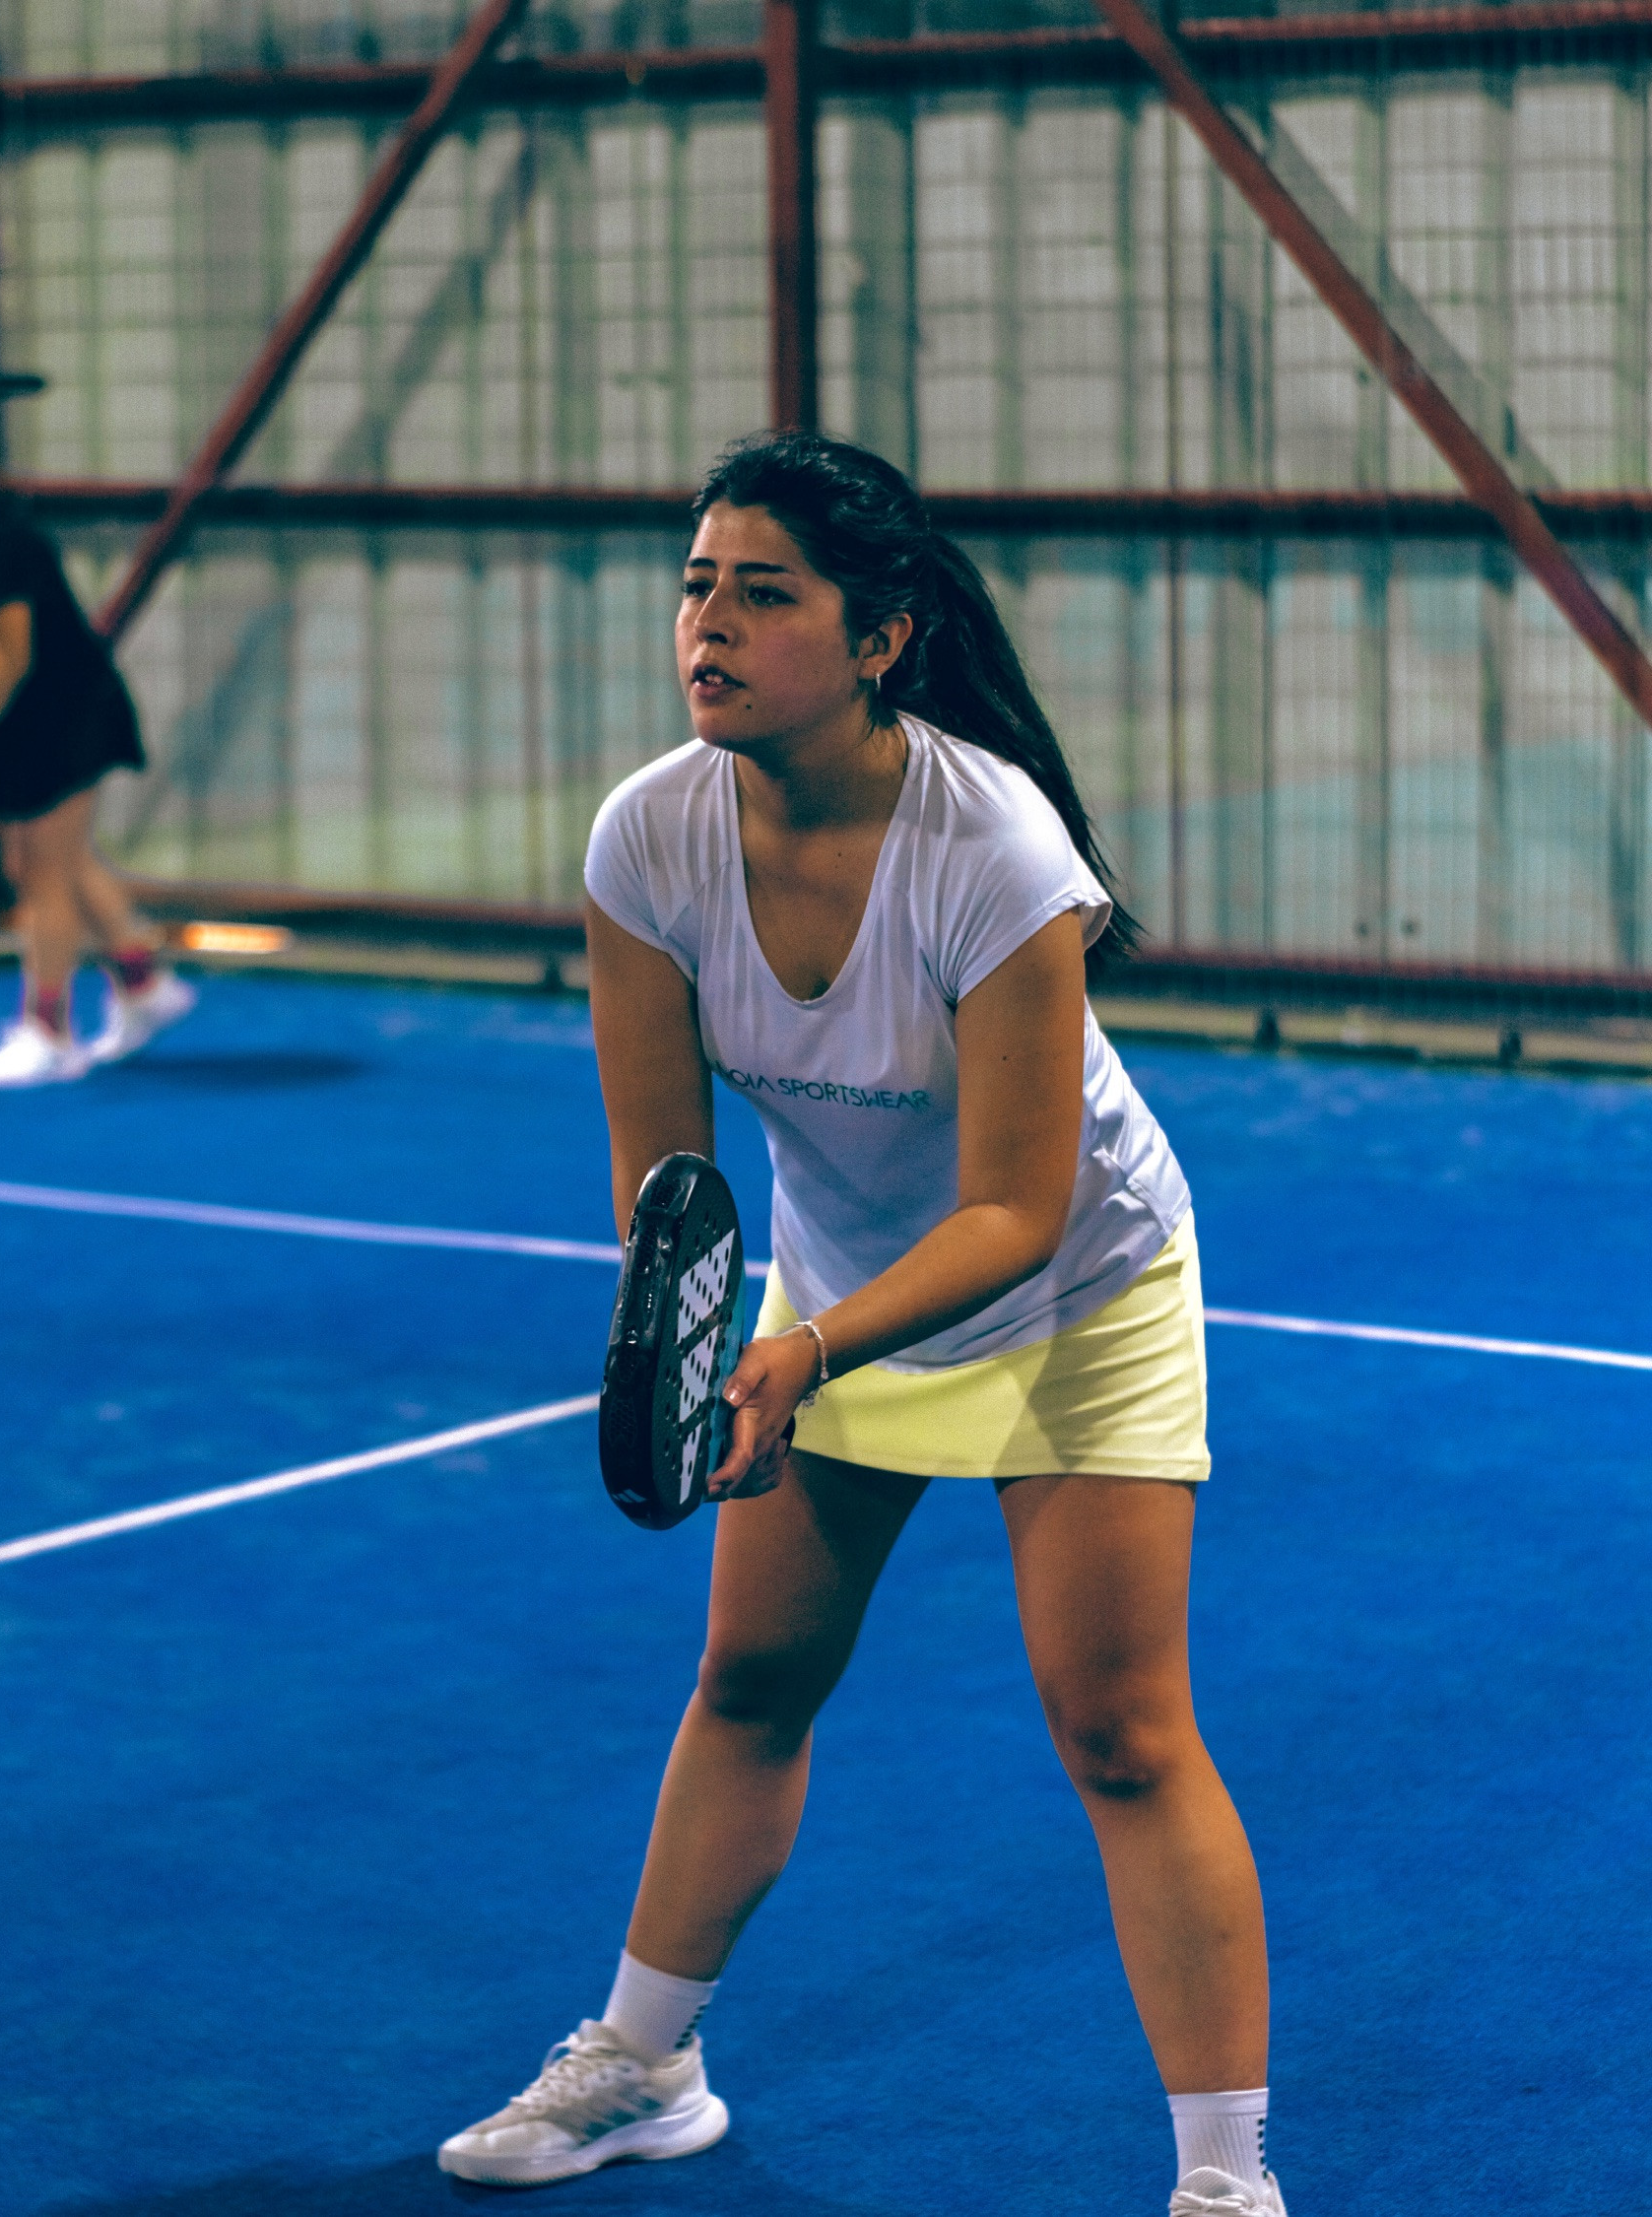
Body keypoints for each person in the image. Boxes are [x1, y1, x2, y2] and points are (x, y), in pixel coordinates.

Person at [437, 432, 1285, 2217]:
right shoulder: (648, 835)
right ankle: (644, 2063)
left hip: (1079, 1293)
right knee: (751, 1680)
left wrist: (806, 1355)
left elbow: (1015, 1211)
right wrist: (694, 1358)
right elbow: (666, 1178)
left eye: (765, 594)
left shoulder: (995, 848)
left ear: (879, 638)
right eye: (697, 585)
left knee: (1121, 1730)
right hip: (834, 1292)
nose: (710, 626)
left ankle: (1225, 2179)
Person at [0, 376, 193, 1086]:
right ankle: (143, 983)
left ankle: (50, 1033)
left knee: (42, 872)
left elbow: (9, 657)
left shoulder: (4, 541)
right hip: (21, 721)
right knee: (61, 861)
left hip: (65, 717)